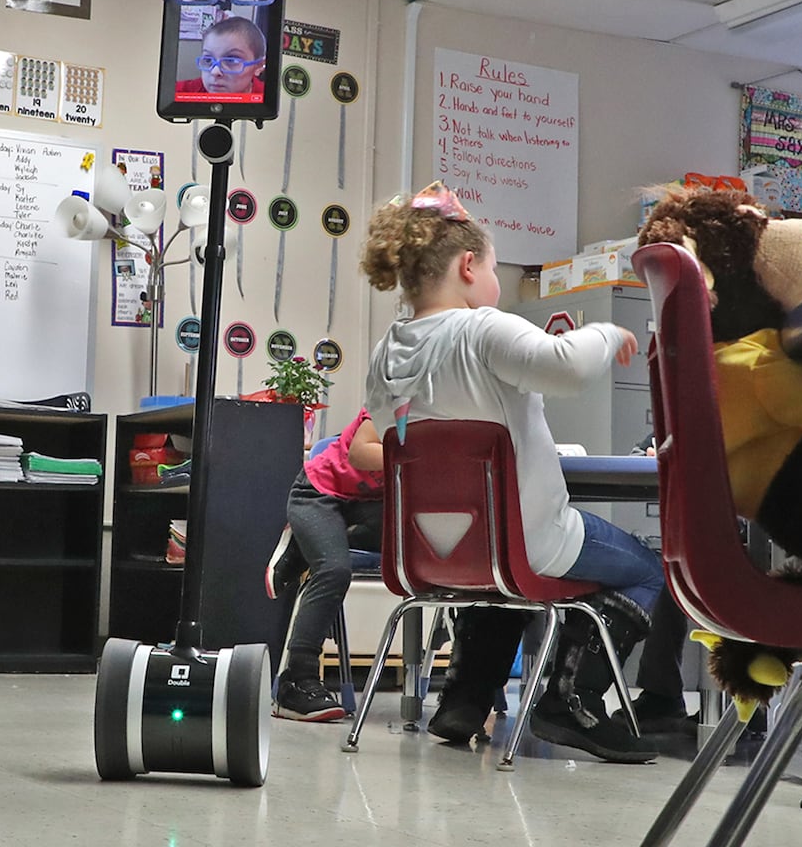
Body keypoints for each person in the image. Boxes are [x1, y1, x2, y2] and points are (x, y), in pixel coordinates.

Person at [360, 182, 664, 764]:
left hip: (432, 549)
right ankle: (569, 701)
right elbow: (567, 368)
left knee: (499, 581)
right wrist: (606, 333)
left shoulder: (387, 350)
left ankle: (465, 699)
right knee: (649, 571)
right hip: (526, 540)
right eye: (496, 268)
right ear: (469, 266)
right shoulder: (481, 328)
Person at [266, 409, 383, 722]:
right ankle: (295, 684)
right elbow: (360, 453)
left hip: (371, 506)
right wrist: (427, 455)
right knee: (334, 569)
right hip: (317, 494)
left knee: (421, 543)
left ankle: (308, 544)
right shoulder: (398, 400)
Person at [174, 16, 267, 96]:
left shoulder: (271, 99)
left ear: (258, 66)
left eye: (232, 61)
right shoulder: (182, 92)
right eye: (208, 60)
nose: (215, 72)